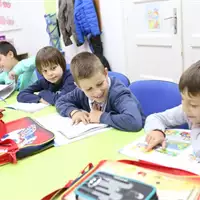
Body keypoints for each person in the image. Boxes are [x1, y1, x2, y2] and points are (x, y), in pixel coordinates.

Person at [56, 52, 145, 132]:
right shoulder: (81, 92)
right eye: (89, 89)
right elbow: (61, 101)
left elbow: (134, 121)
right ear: (79, 87)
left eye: (100, 84)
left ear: (106, 73)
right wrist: (74, 112)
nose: (97, 92)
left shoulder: (118, 93)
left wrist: (101, 117)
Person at [144, 60, 200, 158]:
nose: (185, 108)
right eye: (183, 99)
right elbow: (155, 117)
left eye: (193, 105)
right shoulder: (185, 111)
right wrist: (157, 131)